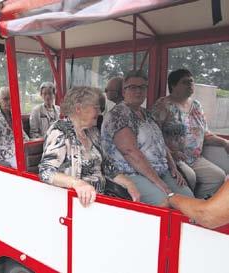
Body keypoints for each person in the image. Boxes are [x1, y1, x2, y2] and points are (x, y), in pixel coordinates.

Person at [101, 70, 194, 207]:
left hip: (160, 170)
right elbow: (130, 152)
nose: (138, 91)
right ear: (124, 91)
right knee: (165, 203)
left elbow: (159, 142)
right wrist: (158, 182)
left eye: (142, 87)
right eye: (133, 87)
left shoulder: (146, 113)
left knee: (189, 200)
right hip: (131, 173)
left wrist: (173, 168)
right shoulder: (118, 115)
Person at [39, 86, 140, 207]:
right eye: (96, 108)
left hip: (99, 199)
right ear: (78, 109)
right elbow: (46, 172)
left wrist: (129, 184)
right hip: (75, 201)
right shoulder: (60, 131)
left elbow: (106, 166)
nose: (100, 112)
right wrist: (77, 183)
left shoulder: (92, 132)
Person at [152, 69, 228, 198]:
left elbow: (206, 134)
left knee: (218, 176)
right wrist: (171, 153)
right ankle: (189, 205)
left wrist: (224, 142)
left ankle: (199, 203)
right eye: (185, 82)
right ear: (173, 85)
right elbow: (153, 136)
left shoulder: (196, 106)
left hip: (194, 158)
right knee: (190, 177)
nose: (190, 85)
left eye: (191, 81)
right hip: (173, 158)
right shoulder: (163, 105)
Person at [0, 86, 29, 168]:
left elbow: (22, 133)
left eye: (10, 98)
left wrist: (29, 144)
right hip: (4, 154)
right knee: (23, 166)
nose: (9, 102)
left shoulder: (15, 113)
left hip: (21, 149)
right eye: (5, 99)